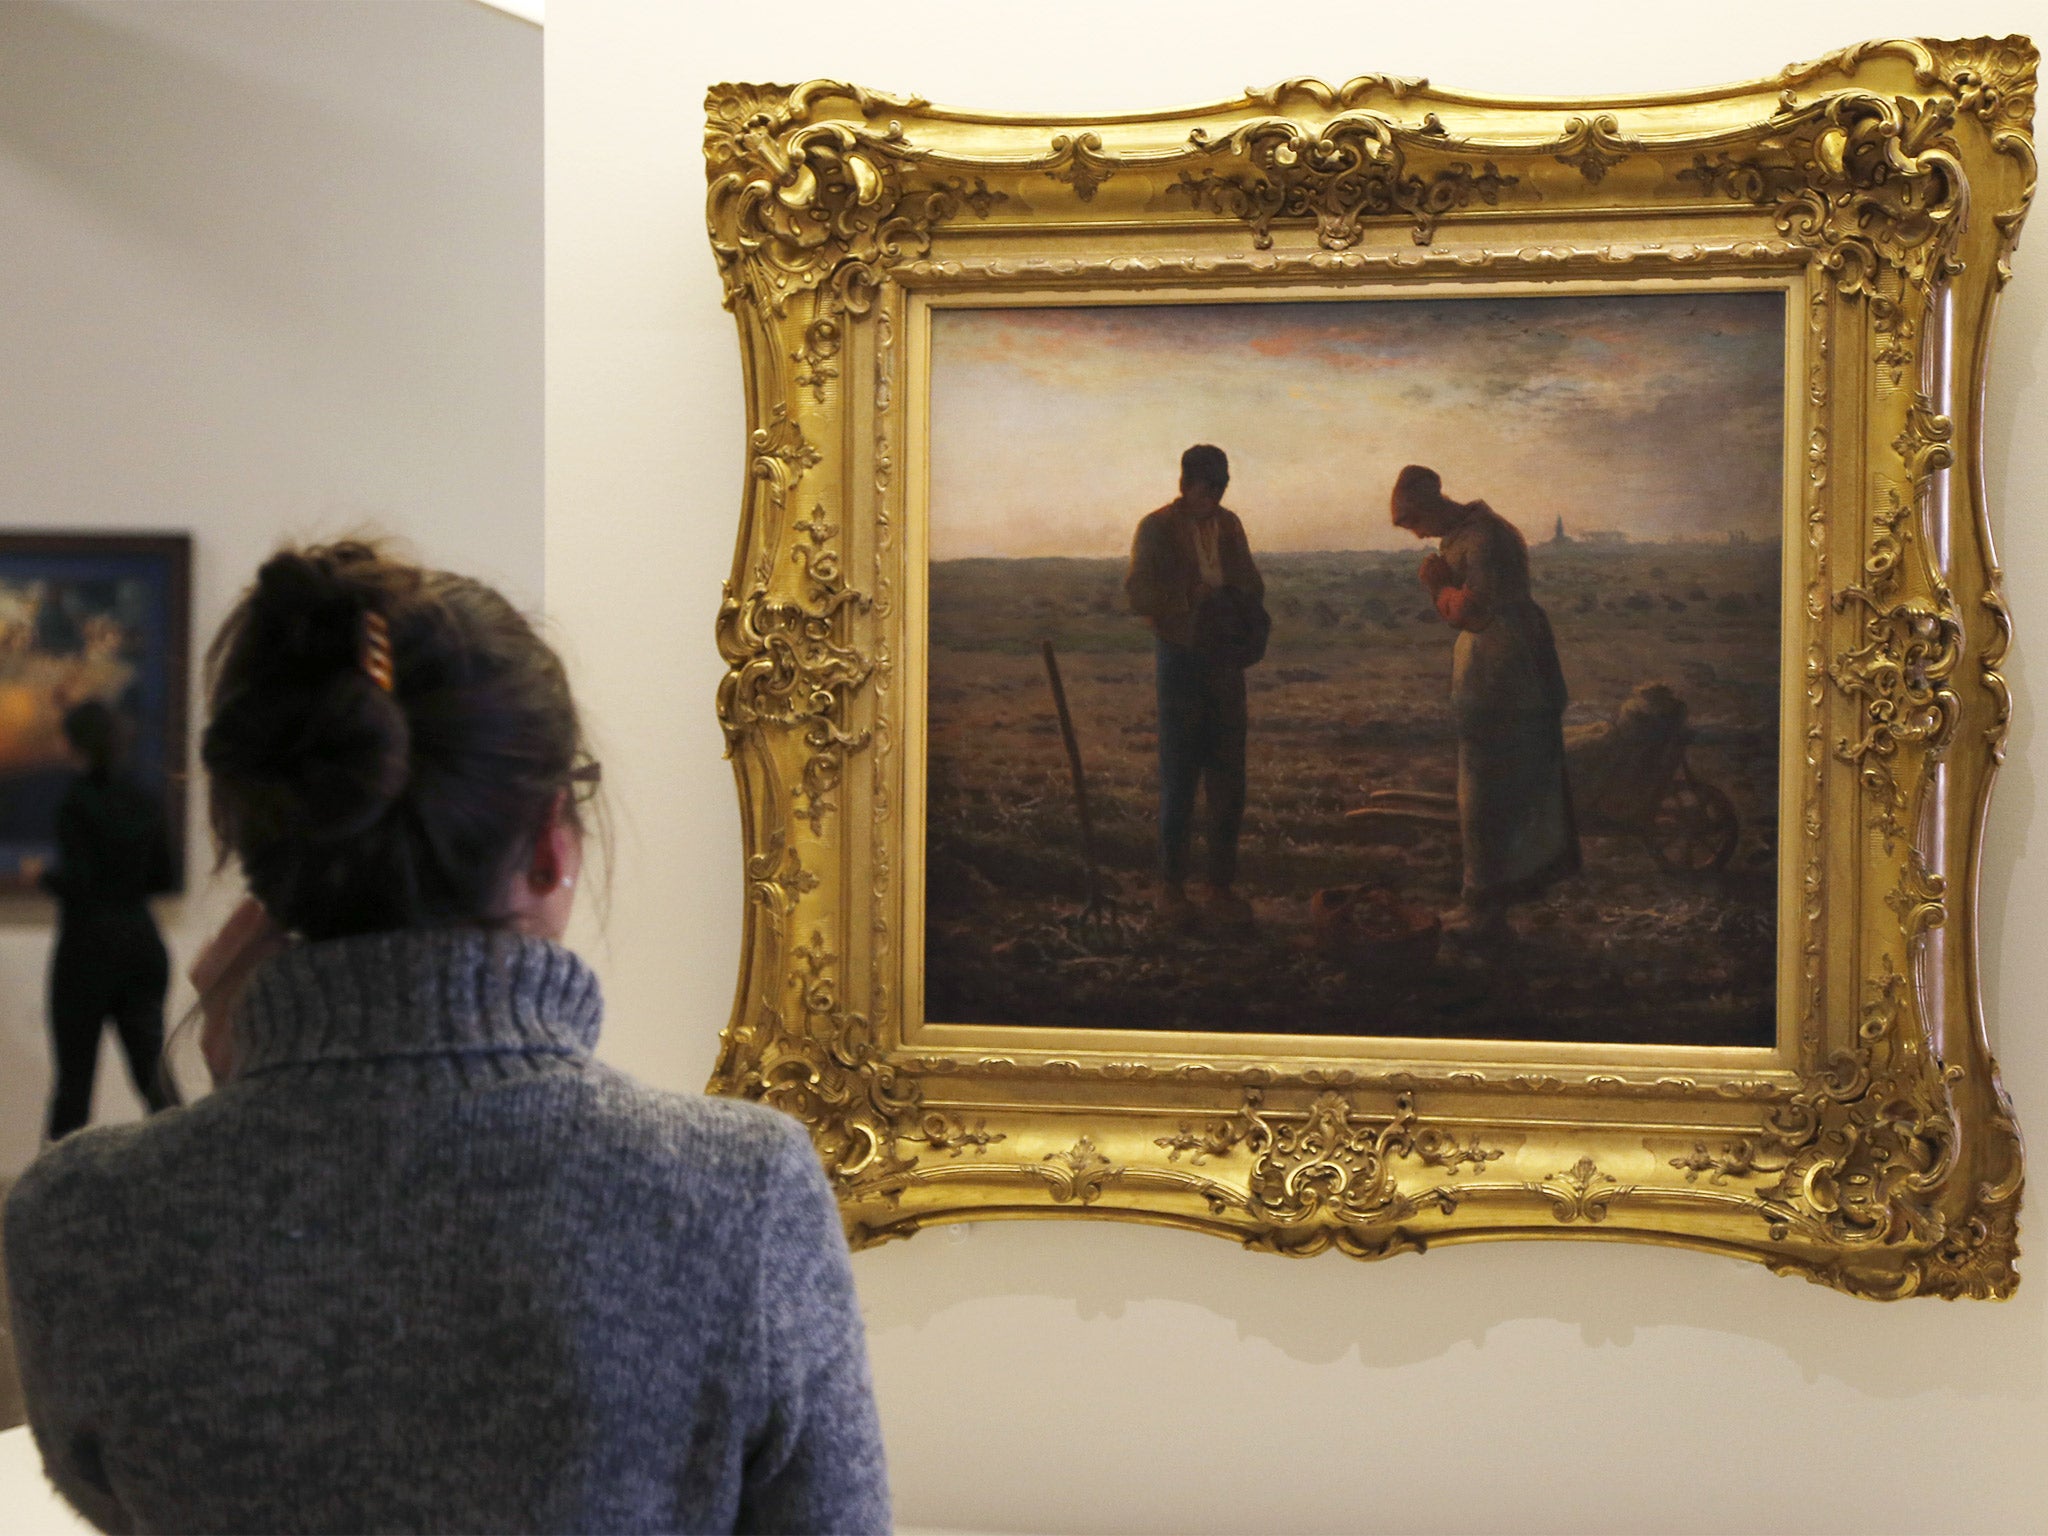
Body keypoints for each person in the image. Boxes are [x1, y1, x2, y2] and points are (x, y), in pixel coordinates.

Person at [3, 541, 889, 1534]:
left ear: (260, 843)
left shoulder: (81, 1218)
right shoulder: (740, 1194)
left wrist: (250, 1103)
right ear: (554, 844)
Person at [1390, 464, 1579, 938]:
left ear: (1432, 506)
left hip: (1505, 679)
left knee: (1489, 794)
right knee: (1495, 791)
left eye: (1413, 522)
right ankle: (1489, 905)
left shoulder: (1484, 538)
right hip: (1504, 674)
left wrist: (1437, 588)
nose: (1415, 535)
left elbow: (1472, 614)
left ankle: (1485, 910)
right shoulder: (1471, 535)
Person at [1125, 443, 1267, 928]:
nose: (1217, 495)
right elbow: (1139, 593)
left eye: (1223, 487)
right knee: (1180, 773)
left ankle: (1219, 887)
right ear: (1187, 483)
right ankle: (1170, 887)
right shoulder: (1156, 527)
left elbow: (1251, 582)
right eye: (1210, 487)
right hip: (1180, 657)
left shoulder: (1230, 525)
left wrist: (1233, 600)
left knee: (1229, 775)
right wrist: (1190, 597)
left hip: (1223, 657)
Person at [37, 698, 181, 1140]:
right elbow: (166, 878)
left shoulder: (76, 802)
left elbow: (81, 881)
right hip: (140, 941)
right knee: (153, 1076)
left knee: (74, 1082)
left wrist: (46, 878)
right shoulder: (144, 799)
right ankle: (189, 1166)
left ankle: (53, 1195)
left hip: (86, 948)